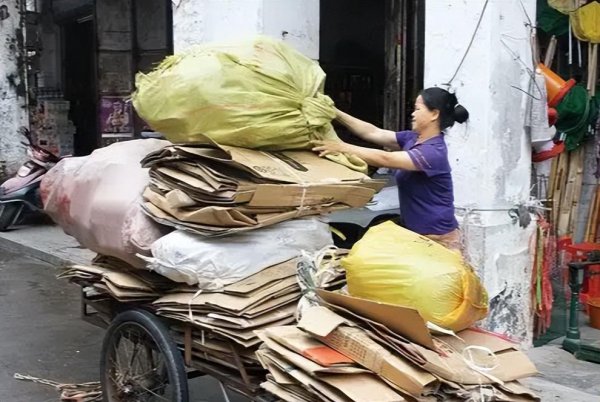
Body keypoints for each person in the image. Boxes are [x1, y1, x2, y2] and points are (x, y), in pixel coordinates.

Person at [312, 87, 469, 253]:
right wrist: (335, 112)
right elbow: (372, 132)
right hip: (417, 235)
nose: (412, 114)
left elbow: (386, 158)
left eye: (417, 109)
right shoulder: (413, 138)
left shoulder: (433, 152)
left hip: (439, 239)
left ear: (434, 114)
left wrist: (340, 147)